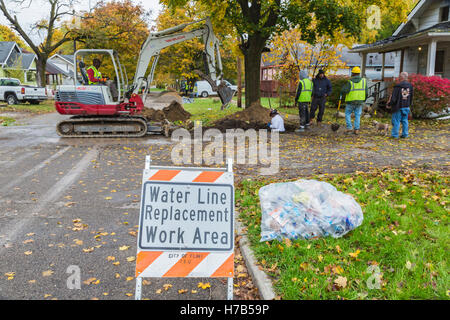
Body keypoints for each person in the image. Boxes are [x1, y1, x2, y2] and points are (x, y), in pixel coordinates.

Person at [340, 66, 368, 135]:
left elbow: (344, 91)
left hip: (350, 101)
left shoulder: (350, 82)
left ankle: (349, 128)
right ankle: (356, 129)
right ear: (359, 73)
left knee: (347, 114)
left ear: (353, 73)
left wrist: (342, 88)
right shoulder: (364, 81)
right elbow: (366, 93)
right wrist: (363, 100)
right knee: (358, 115)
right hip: (359, 102)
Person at [387, 72, 413, 138]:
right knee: (405, 121)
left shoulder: (397, 87)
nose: (398, 78)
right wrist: (409, 104)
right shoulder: (410, 86)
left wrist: (389, 104)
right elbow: (411, 97)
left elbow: (394, 98)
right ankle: (405, 134)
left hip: (398, 106)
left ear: (401, 77)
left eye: (399, 77)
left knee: (396, 121)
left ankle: (395, 135)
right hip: (406, 106)